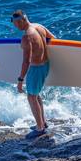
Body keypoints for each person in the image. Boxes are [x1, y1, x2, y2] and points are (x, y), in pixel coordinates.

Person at [11, 10, 56, 139]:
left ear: (21, 21)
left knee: (31, 97)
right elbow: (54, 39)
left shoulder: (26, 37)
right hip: (45, 65)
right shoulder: (39, 27)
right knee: (35, 95)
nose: (15, 26)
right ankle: (43, 123)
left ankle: (40, 128)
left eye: (16, 24)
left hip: (36, 69)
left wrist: (20, 80)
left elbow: (27, 61)